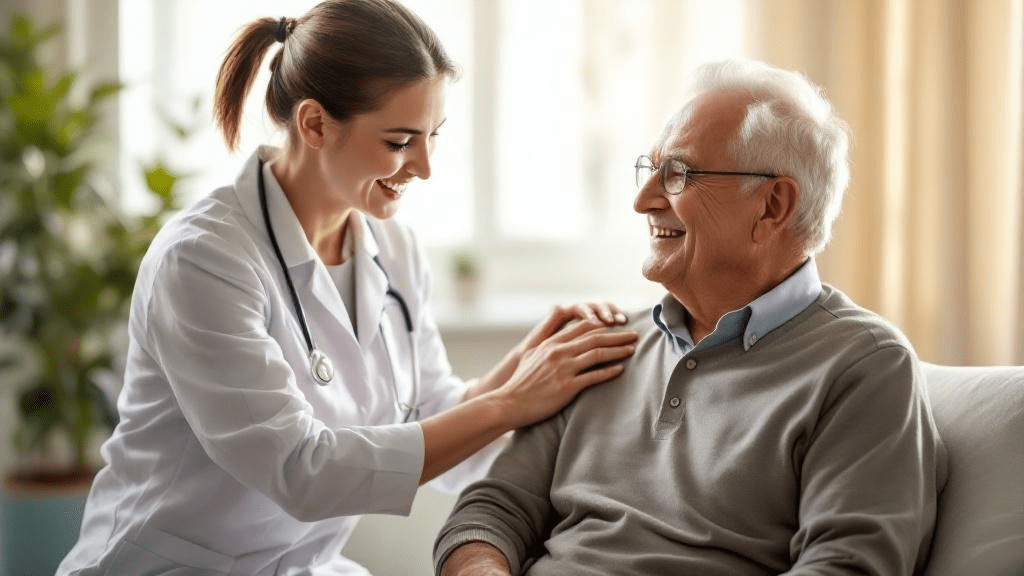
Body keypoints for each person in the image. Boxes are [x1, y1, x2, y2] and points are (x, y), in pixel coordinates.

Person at [57, 1, 639, 574]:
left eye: (433, 136)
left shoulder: (394, 249)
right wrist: (511, 402)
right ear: (313, 123)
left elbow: (432, 413)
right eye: (399, 141)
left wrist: (525, 365)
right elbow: (302, 472)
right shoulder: (204, 260)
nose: (425, 167)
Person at [434, 58, 948, 576]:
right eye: (650, 169)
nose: (642, 200)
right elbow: (487, 513)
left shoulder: (865, 367)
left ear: (773, 205)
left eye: (678, 173)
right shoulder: (600, 345)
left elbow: (847, 565)